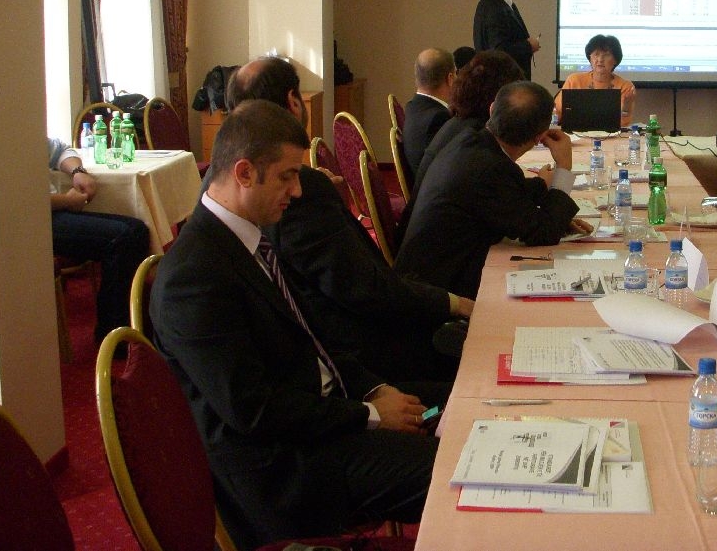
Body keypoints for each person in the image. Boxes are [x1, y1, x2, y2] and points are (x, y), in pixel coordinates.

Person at [150, 99, 440, 549]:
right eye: (287, 176)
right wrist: (368, 416)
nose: (298, 191)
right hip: (286, 470)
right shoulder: (194, 276)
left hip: (321, 416)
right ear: (244, 173)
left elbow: (313, 341)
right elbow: (253, 411)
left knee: (460, 406)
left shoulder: (249, 237)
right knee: (461, 468)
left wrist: (373, 389)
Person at [226, 55, 471, 383]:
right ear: (293, 102)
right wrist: (453, 304)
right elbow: (365, 289)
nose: (292, 186)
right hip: (358, 353)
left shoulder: (230, 190)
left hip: (325, 343)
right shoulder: (301, 193)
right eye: (288, 176)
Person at [395, 81, 589, 299]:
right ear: (539, 137)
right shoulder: (491, 168)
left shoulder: (471, 139)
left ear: (492, 109)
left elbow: (507, 194)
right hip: (437, 291)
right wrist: (563, 167)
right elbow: (544, 233)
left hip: (428, 270)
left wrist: (553, 211)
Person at [395, 49, 524, 244]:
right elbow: (530, 225)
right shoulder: (468, 137)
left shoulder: (455, 124)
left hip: (427, 224)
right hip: (438, 241)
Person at [48, 137, 150, 343]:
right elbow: (19, 198)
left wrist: (78, 171)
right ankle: (114, 334)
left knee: (137, 229)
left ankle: (130, 323)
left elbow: (59, 150)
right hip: (29, 223)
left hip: (51, 211)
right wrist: (66, 201)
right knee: (123, 237)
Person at [553, 34, 637, 129]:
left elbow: (622, 124)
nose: (600, 60)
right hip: (574, 133)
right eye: (596, 54)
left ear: (615, 60)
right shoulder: (574, 80)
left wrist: (626, 107)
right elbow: (556, 113)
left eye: (606, 55)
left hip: (610, 135)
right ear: (590, 58)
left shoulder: (625, 86)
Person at [472, 0, 539, 77]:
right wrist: (529, 46)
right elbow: (499, 50)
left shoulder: (495, 3)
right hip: (502, 81)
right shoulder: (495, 7)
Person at [402, 48, 455, 180]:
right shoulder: (438, 118)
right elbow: (450, 167)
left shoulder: (412, 106)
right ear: (450, 78)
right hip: (429, 187)